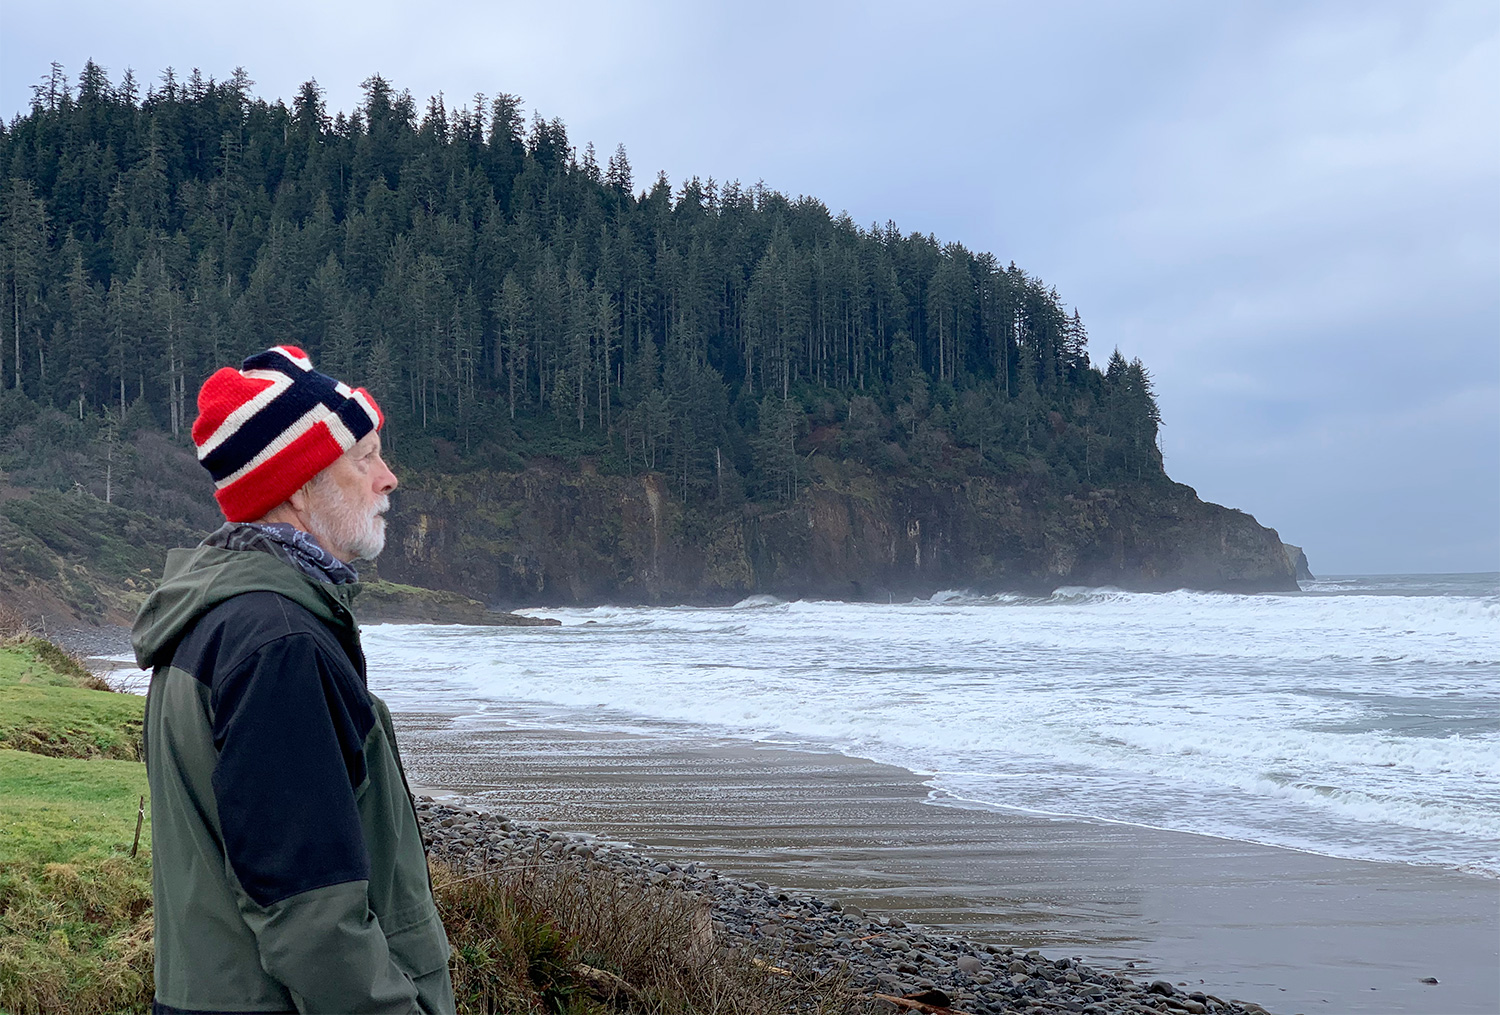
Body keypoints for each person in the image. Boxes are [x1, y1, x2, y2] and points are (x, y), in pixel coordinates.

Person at [132, 345, 456, 1014]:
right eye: (365, 458)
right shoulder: (277, 643)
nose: (389, 478)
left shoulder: (226, 616)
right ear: (301, 486)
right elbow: (312, 916)